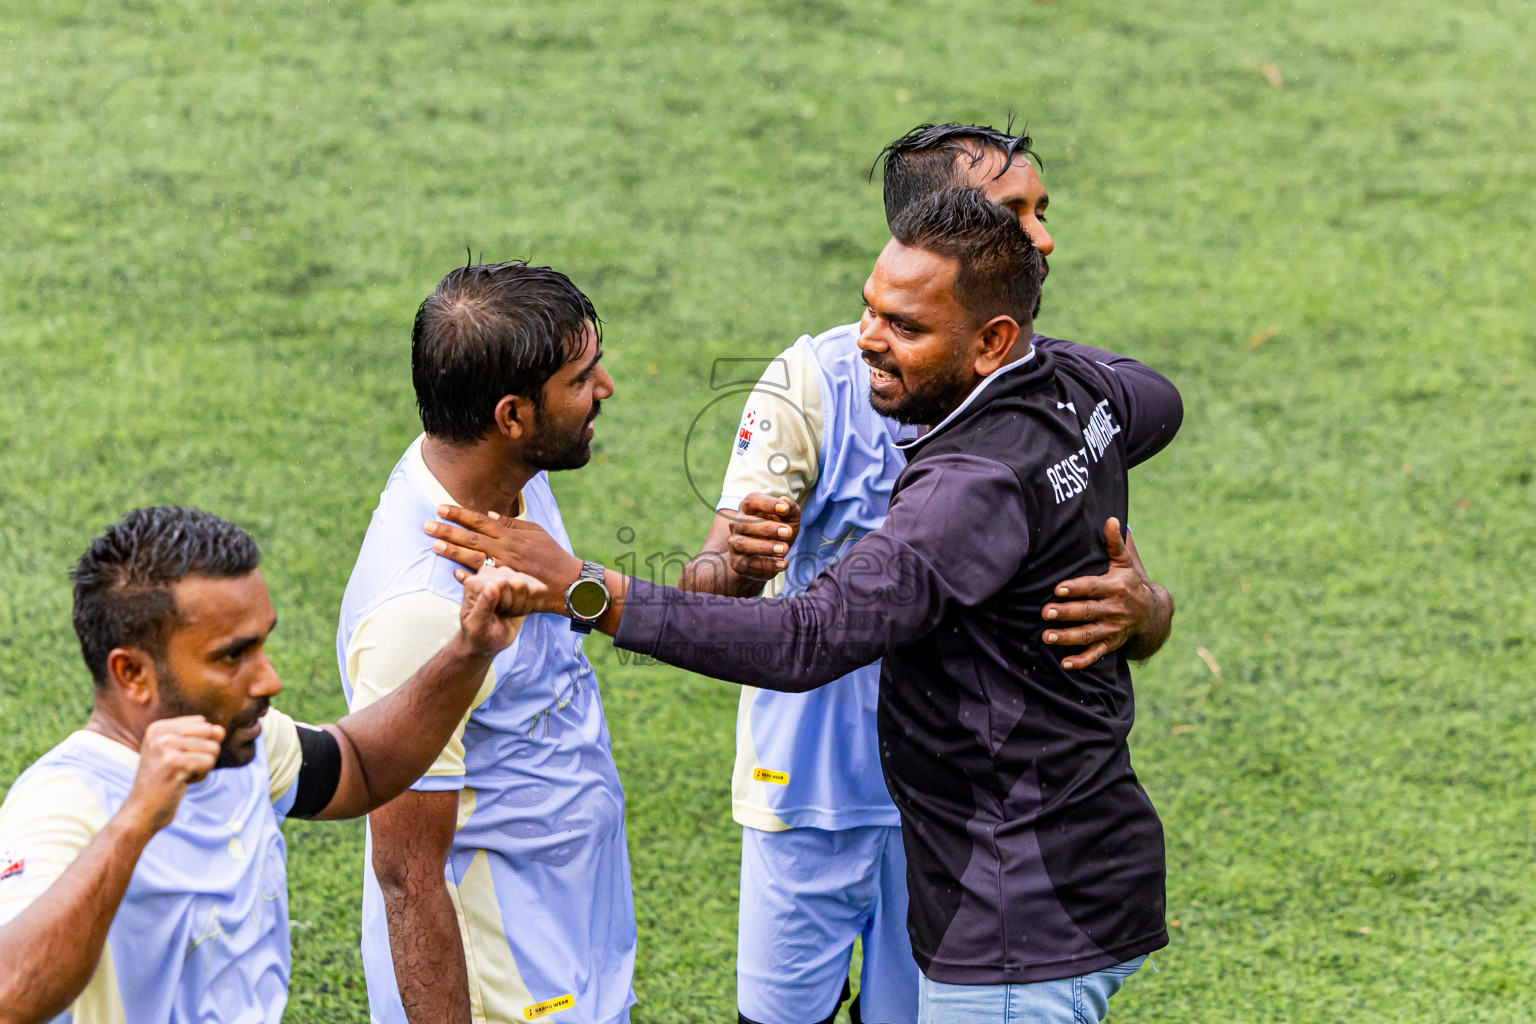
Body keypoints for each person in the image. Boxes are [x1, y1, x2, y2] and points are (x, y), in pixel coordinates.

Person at [432, 122, 1175, 1024]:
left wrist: (583, 587)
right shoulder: (1066, 388)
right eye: (1011, 217)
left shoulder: (975, 478)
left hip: (1010, 887)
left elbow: (805, 638)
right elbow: (1152, 401)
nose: (1040, 240)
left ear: (993, 334)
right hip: (904, 805)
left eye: (1033, 218)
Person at [0, 505, 539, 1024]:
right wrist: (136, 820)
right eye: (232, 656)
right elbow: (9, 997)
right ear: (132, 674)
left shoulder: (239, 742)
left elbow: (358, 766)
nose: (269, 680)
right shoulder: (64, 802)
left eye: (263, 644)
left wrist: (467, 652)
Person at [337, 260, 633, 1024]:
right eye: (582, 378)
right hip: (504, 976)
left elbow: (570, 598)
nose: (604, 389)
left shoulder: (506, 484)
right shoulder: (422, 609)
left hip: (569, 925)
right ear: (511, 415)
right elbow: (406, 876)